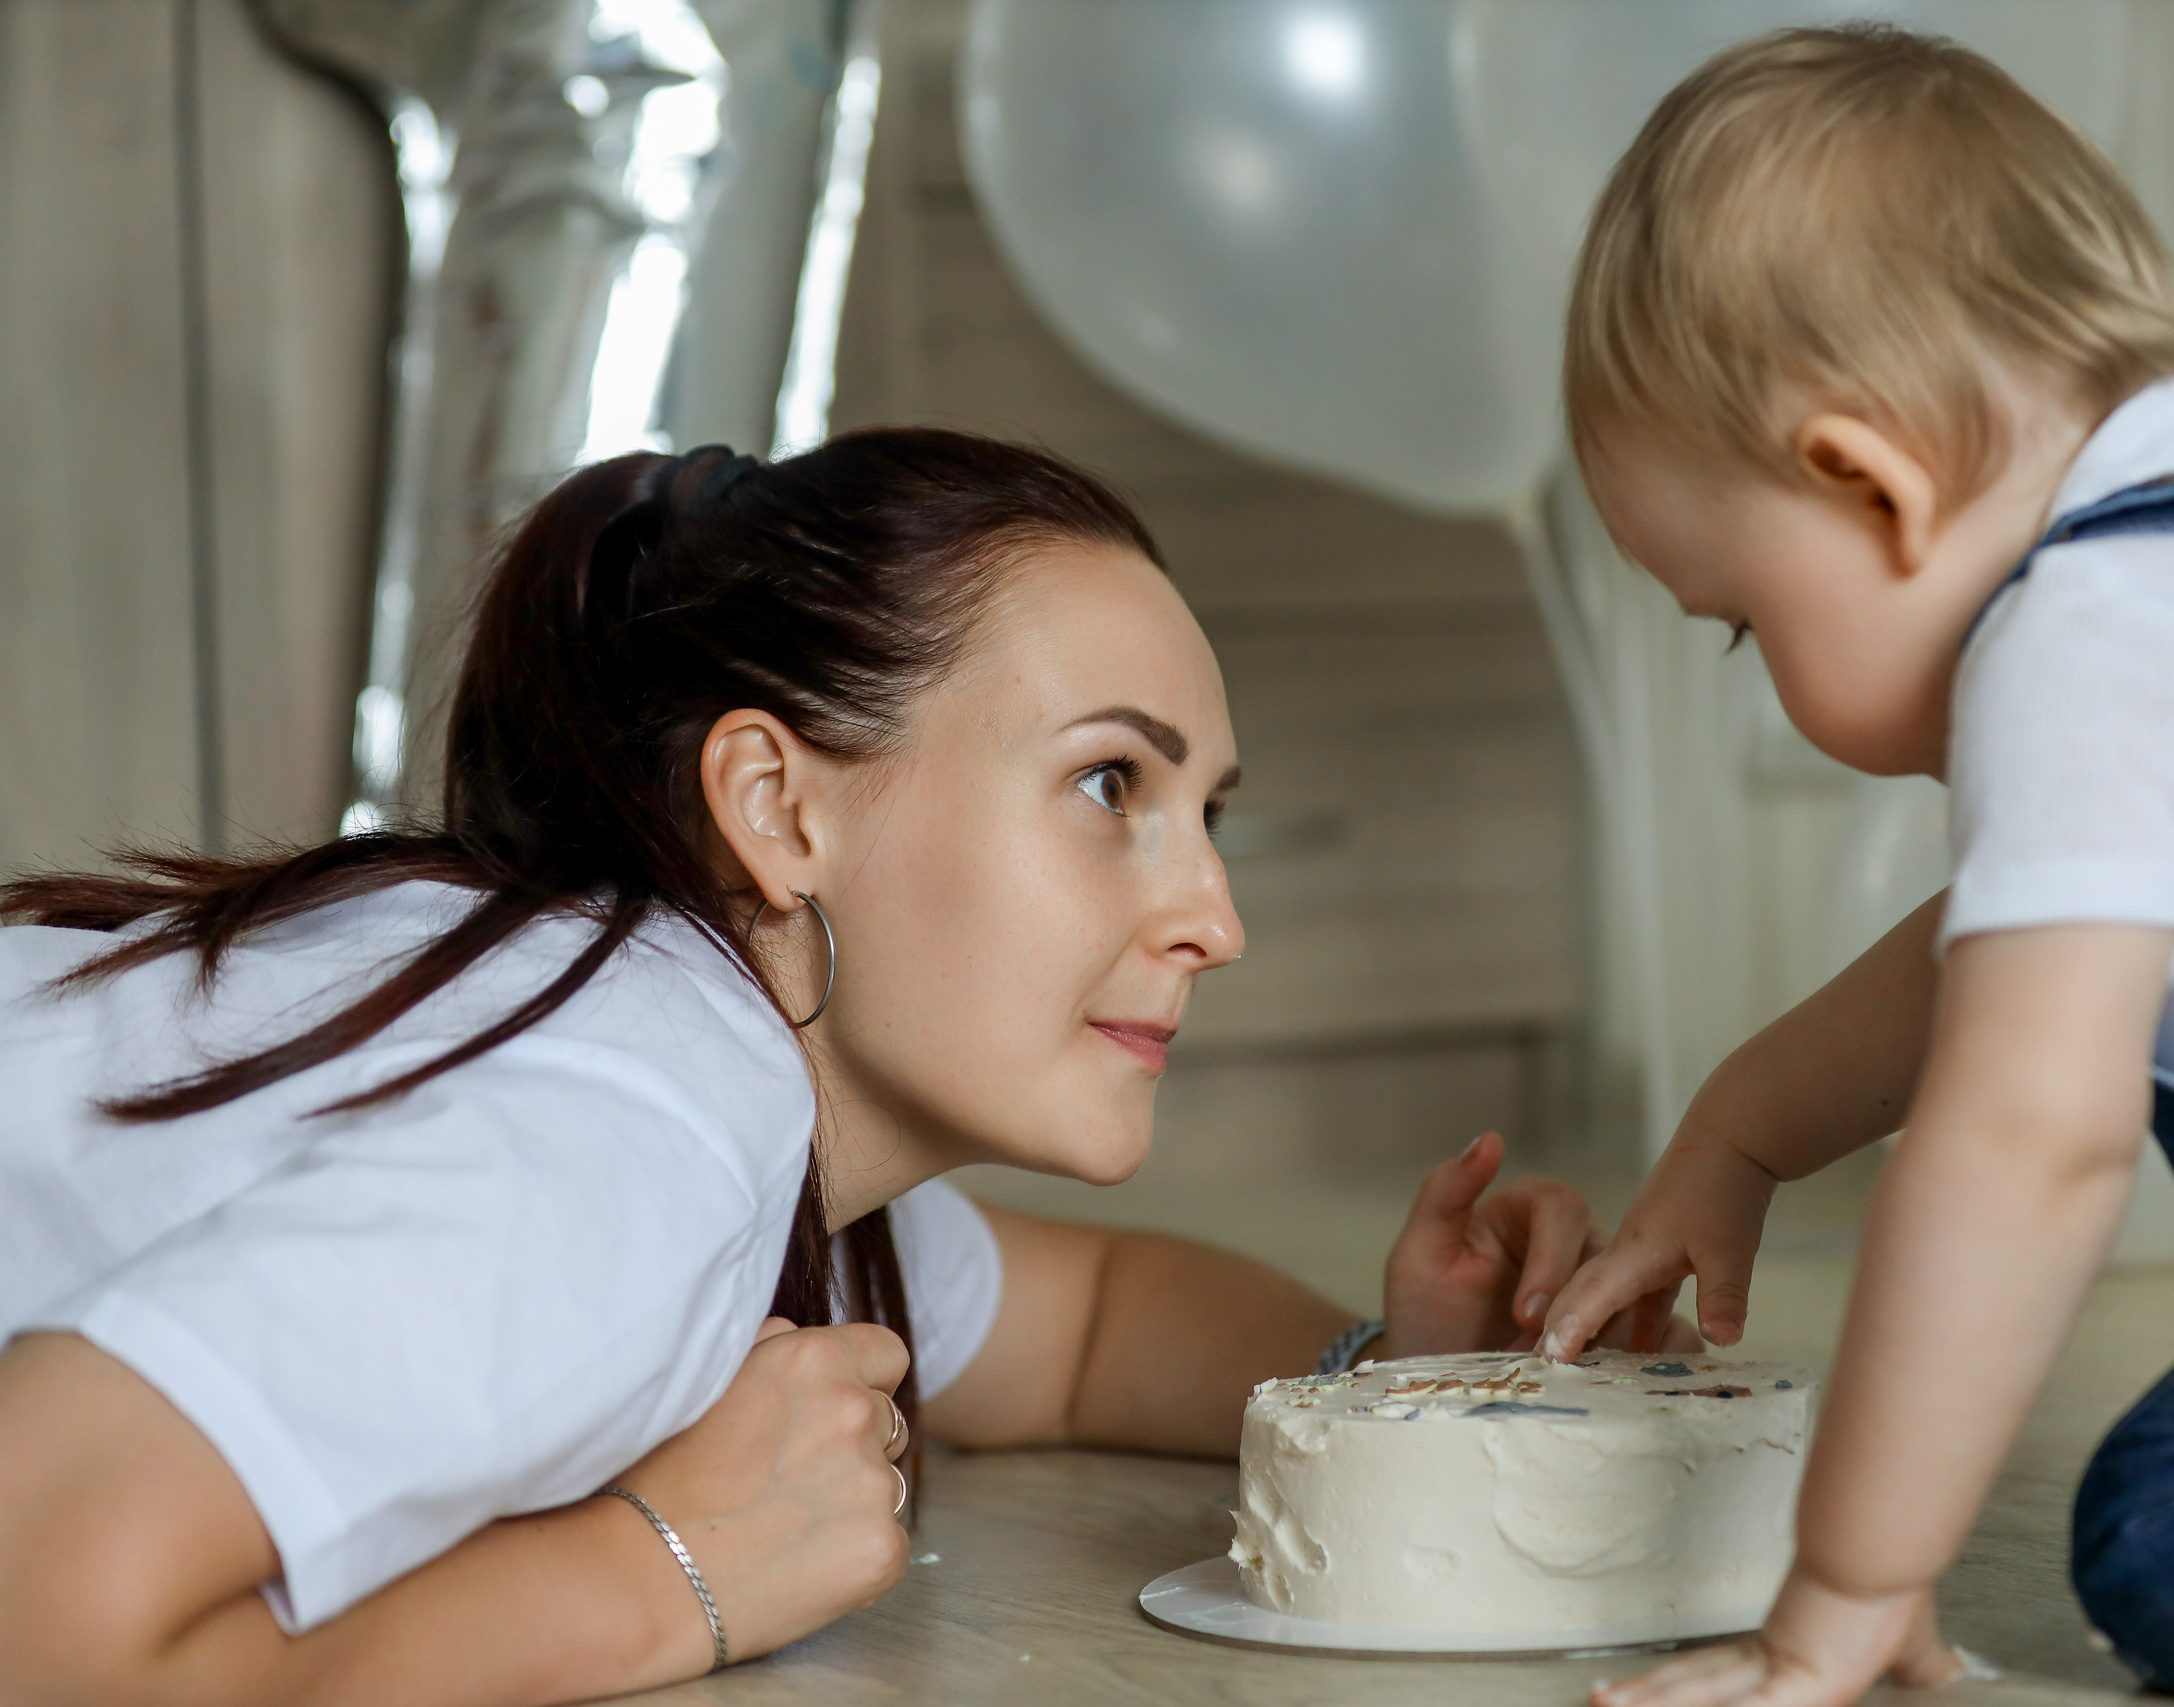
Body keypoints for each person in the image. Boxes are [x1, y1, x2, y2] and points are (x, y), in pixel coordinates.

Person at [0, 429, 1599, 1704]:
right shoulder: (629, 1138)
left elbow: (1084, 1330)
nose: (1215, 919)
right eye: (1111, 784)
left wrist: (1392, 1371)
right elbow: (35, 1615)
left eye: (1210, 815)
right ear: (778, 807)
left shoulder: (652, 1034)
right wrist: (666, 1574)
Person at [1536, 24, 2174, 1707]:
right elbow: (1984, 959)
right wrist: (1741, 1134)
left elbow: (2027, 1133)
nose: (1763, 673)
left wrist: (1849, 1583)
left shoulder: (2091, 637)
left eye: (1739, 624)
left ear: (1870, 490)